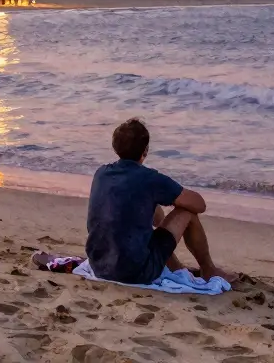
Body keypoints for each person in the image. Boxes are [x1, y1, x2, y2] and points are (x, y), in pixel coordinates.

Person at [85, 117, 230, 284]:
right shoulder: (150, 179)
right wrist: (174, 198)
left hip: (100, 265)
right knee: (187, 212)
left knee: (145, 202)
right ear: (145, 150)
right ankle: (209, 269)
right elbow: (199, 204)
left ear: (115, 147)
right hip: (135, 272)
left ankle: (174, 265)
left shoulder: (101, 173)